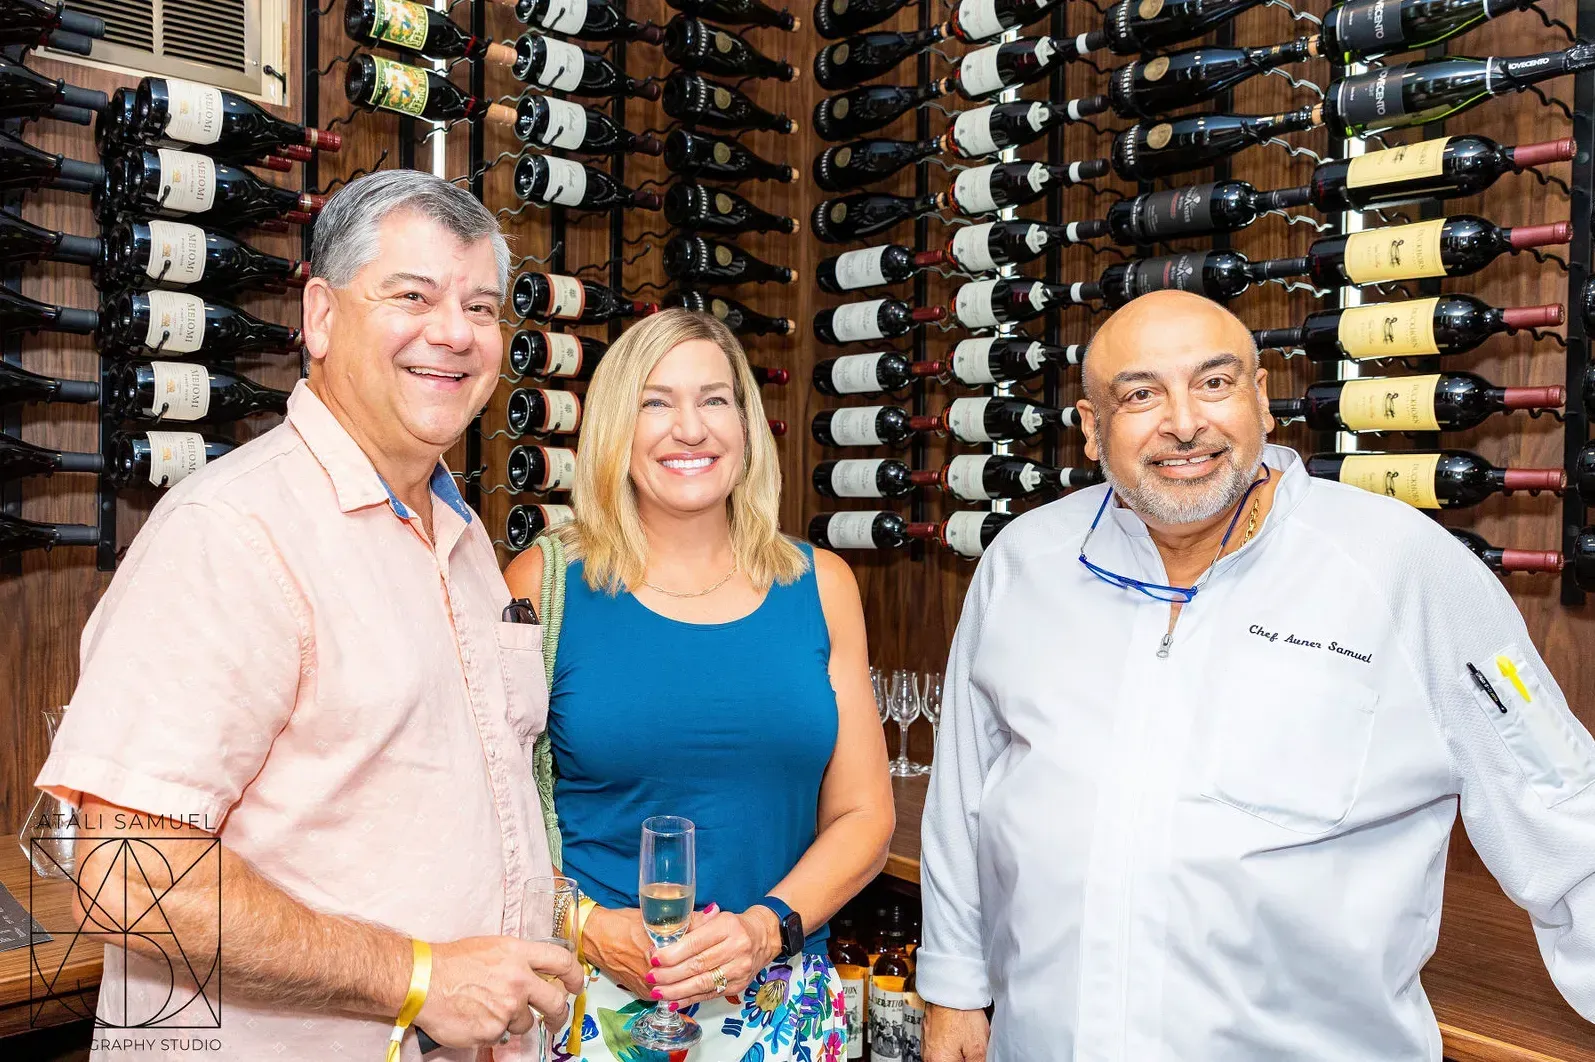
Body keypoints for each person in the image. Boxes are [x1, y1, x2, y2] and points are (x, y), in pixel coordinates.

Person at [917, 289, 1595, 1061]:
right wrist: (951, 989)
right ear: (1089, 429)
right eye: (1139, 394)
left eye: (1213, 383)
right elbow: (964, 797)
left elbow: (1562, 810)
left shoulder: (1404, 564)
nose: (1182, 423)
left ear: (1261, 401)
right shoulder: (1023, 562)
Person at [34, 170, 581, 1062]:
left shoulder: (465, 537)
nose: (454, 332)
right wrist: (416, 977)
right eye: (413, 296)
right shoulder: (230, 531)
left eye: (481, 308)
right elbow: (130, 876)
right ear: (321, 318)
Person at [504, 308, 893, 1060]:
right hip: (597, 1003)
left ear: (746, 425)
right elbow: (492, 806)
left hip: (782, 1004)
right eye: (656, 402)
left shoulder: (821, 585)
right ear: (616, 428)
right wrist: (584, 924)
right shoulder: (546, 582)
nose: (690, 429)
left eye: (714, 400)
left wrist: (764, 927)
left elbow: (863, 815)